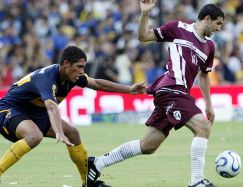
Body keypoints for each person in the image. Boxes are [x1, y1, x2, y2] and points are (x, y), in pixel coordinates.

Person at [87, 1, 224, 187]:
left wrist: (208, 104)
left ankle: (96, 164)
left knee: (149, 145)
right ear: (207, 18)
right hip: (171, 89)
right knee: (203, 127)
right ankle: (197, 181)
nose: (219, 28)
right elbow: (143, 36)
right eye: (218, 23)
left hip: (178, 93)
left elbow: (204, 76)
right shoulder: (177, 28)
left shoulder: (209, 47)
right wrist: (144, 14)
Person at [0, 45, 146, 187]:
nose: (82, 71)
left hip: (34, 115)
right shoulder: (46, 78)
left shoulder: (74, 76)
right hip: (8, 111)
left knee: (72, 133)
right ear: (66, 64)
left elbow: (97, 84)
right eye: (79, 66)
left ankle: (88, 182)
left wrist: (129, 89)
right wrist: (58, 131)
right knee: (34, 136)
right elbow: (51, 106)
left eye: (83, 67)